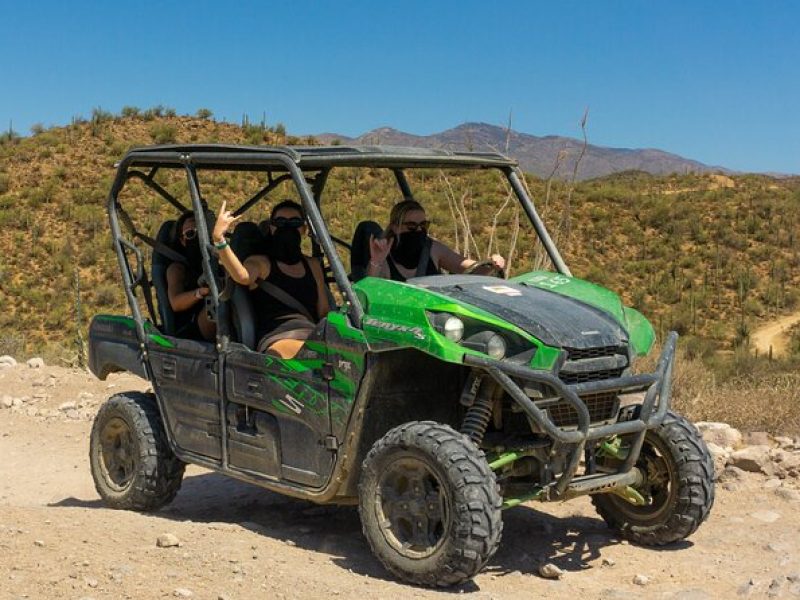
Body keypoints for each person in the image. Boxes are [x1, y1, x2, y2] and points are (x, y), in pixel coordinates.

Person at [213, 199, 330, 358]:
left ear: (304, 229)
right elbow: (242, 275)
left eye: (294, 222)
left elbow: (323, 311)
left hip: (313, 335)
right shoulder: (261, 263)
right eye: (280, 222)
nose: (287, 227)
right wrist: (220, 241)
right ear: (272, 227)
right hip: (279, 338)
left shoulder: (313, 265)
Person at [364, 199, 505, 281]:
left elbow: (470, 269)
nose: (419, 231)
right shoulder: (385, 254)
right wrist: (376, 261)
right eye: (412, 226)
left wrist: (492, 263)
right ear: (395, 227)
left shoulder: (432, 249)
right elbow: (370, 292)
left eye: (423, 225)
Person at [165, 212, 216, 341]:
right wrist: (201, 292)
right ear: (182, 240)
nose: (199, 237)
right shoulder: (178, 268)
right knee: (217, 306)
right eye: (191, 234)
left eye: (202, 232)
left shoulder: (219, 259)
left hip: (229, 309)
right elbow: (176, 303)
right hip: (193, 323)